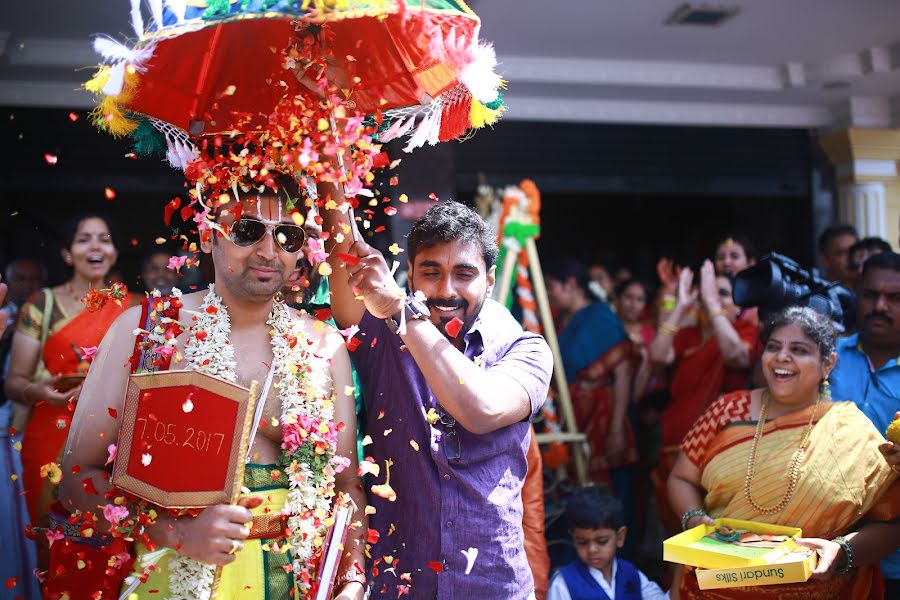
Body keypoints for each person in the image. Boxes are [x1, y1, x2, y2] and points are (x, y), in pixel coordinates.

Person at [55, 181, 367, 600]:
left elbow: (346, 487)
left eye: (286, 235)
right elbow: (76, 477)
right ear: (206, 233)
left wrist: (351, 580)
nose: (268, 251)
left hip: (292, 580)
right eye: (246, 231)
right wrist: (177, 533)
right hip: (172, 576)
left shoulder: (323, 346)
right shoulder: (148, 331)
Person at [323, 193, 553, 599]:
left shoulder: (527, 350)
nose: (447, 290)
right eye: (431, 272)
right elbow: (346, 252)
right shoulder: (381, 331)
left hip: (493, 586)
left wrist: (399, 314)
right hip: (398, 586)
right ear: (409, 274)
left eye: (464, 274)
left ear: (491, 279)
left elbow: (480, 410)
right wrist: (333, 162)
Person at [668, 306, 900, 598]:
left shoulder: (852, 430)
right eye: (773, 347)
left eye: (799, 349)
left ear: (828, 364)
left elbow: (891, 521)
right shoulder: (727, 411)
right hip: (711, 584)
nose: (782, 357)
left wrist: (842, 552)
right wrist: (694, 517)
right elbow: (681, 477)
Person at [4, 215, 130, 539]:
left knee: (110, 544)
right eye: (84, 238)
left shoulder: (136, 308)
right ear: (67, 252)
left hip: (114, 441)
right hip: (50, 433)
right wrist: (41, 392)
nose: (95, 246)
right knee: (51, 542)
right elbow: (14, 382)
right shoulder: (42, 304)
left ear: (114, 251)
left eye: (104, 238)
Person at [649, 260, 756, 534]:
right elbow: (658, 356)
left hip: (717, 452)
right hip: (673, 448)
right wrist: (680, 305)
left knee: (712, 533)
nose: (710, 298)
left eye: (721, 292)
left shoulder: (745, 332)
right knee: (677, 539)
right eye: (707, 292)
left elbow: (736, 356)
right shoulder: (688, 335)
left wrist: (712, 302)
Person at [829, 251, 900, 595]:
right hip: (827, 546)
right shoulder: (823, 356)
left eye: (894, 298)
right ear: (857, 294)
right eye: (871, 295)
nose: (881, 307)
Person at [546, 259, 636, 485]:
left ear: (571, 284)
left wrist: (616, 430)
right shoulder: (557, 322)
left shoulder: (600, 317)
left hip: (602, 417)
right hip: (571, 414)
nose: (548, 293)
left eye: (551, 286)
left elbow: (623, 374)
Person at [547, 486, 666, 600]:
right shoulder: (563, 584)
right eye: (582, 542)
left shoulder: (631, 574)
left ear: (620, 537)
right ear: (573, 539)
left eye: (602, 541)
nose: (592, 549)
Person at [818, 224, 858, 288]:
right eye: (842, 253)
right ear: (825, 259)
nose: (851, 257)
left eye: (854, 252)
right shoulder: (816, 296)